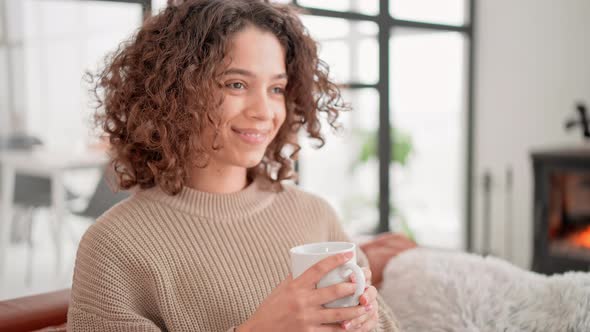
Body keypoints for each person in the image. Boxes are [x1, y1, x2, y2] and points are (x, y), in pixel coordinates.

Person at [67, 0, 405, 331]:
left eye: (276, 88)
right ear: (174, 93)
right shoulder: (115, 245)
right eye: (236, 84)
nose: (264, 110)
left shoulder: (316, 216)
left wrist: (367, 322)